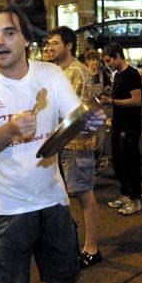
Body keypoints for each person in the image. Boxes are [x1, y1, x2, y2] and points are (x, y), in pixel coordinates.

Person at [0, 3, 105, 283]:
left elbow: (75, 118)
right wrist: (8, 131)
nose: (0, 41)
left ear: (25, 40)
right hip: (6, 209)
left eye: (9, 32)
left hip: (54, 201)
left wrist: (91, 120)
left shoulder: (50, 74)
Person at [47, 26, 102, 268]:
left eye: (55, 43)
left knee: (84, 193)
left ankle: (92, 248)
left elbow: (78, 112)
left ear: (69, 46)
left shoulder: (78, 72)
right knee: (66, 195)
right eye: (49, 43)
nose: (50, 47)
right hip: (58, 143)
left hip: (77, 144)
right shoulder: (54, 72)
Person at [101, 42, 142, 215]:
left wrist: (111, 101)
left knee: (131, 160)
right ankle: (125, 194)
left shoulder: (132, 74)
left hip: (130, 125)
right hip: (118, 123)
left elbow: (136, 100)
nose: (107, 64)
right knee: (118, 160)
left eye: (109, 60)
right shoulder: (117, 75)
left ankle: (136, 199)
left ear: (118, 56)